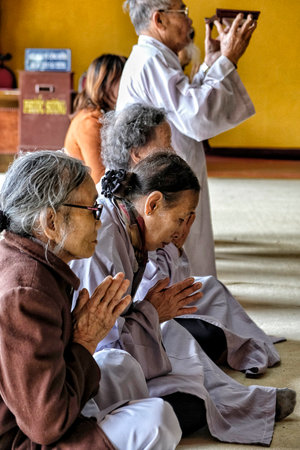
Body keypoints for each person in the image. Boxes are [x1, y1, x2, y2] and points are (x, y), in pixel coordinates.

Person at [71, 152, 296, 445]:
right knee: (183, 401)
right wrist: (151, 312)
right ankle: (231, 405)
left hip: (133, 341)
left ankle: (246, 401)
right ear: (152, 203)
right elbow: (103, 344)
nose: (181, 229)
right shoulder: (104, 240)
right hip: (91, 366)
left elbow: (155, 294)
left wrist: (152, 309)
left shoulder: (130, 225)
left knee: (181, 340)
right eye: (179, 218)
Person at [0, 150, 182, 449]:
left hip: (44, 412)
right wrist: (84, 341)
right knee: (156, 421)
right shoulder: (26, 292)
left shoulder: (33, 262)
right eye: (91, 210)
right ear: (51, 222)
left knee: (121, 365)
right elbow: (45, 426)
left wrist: (83, 338)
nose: (100, 222)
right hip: (21, 439)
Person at [101, 103, 282, 376]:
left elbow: (174, 282)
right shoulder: (113, 221)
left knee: (209, 290)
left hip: (145, 316)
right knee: (186, 342)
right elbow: (120, 324)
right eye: (165, 147)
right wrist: (151, 311)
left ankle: (251, 349)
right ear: (137, 155)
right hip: (127, 333)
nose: (174, 152)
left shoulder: (138, 206)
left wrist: (175, 245)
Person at [117, 0, 258, 277]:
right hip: (161, 179)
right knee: (179, 255)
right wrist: (228, 60)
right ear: (159, 20)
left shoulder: (156, 58)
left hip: (170, 172)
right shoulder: (150, 61)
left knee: (189, 247)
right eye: (183, 13)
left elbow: (183, 101)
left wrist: (210, 65)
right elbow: (194, 115)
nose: (190, 22)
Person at [64, 54, 126, 183]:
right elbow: (99, 179)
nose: (129, 85)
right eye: (124, 79)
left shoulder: (104, 116)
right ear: (105, 84)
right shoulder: (89, 122)